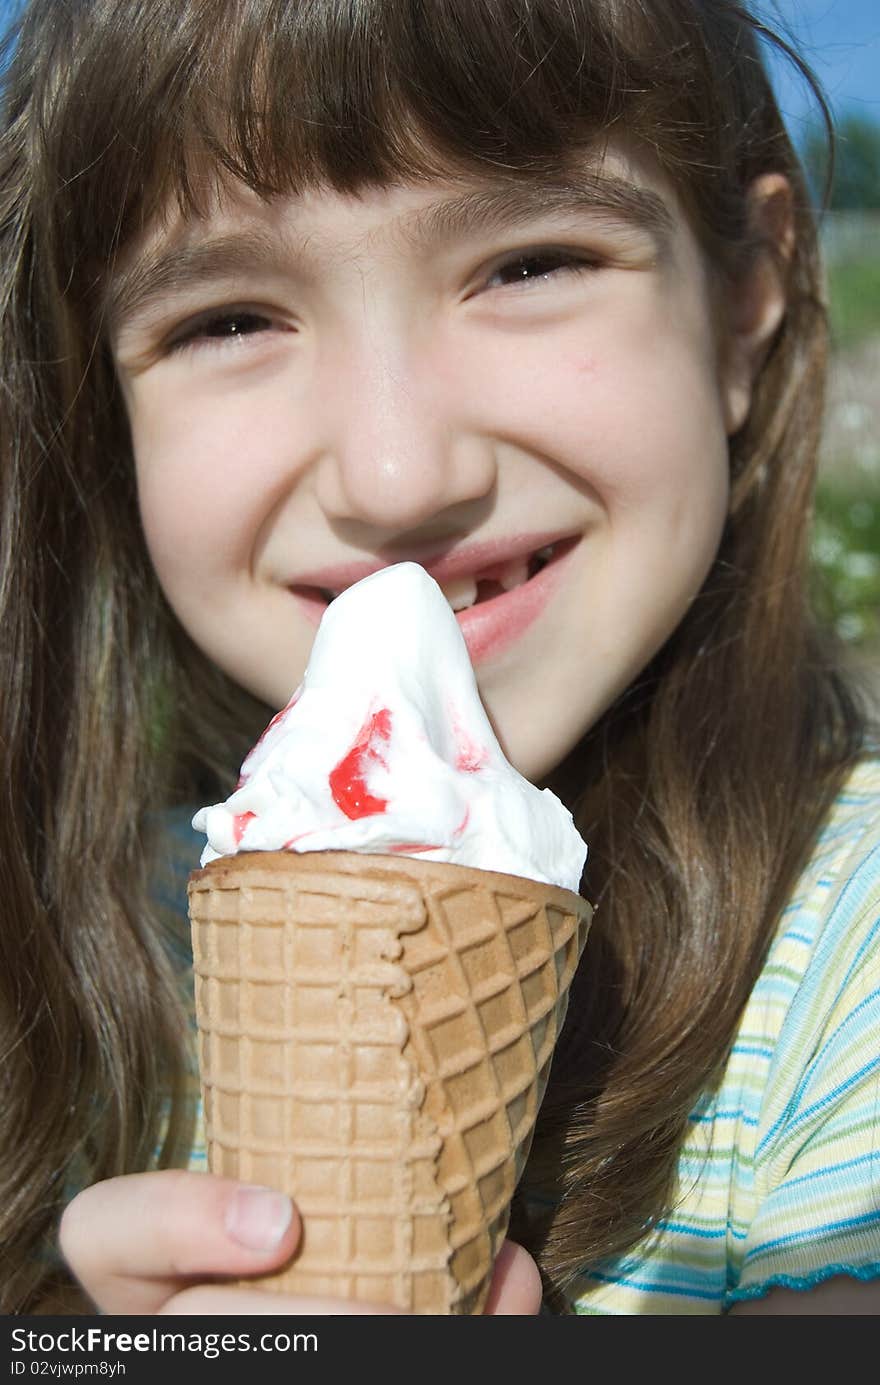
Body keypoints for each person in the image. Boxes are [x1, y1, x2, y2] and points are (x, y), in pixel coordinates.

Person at [1, 0, 877, 1317]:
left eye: (528, 263)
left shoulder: (848, 972)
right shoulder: (82, 957)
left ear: (744, 303)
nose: (399, 474)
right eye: (230, 319)